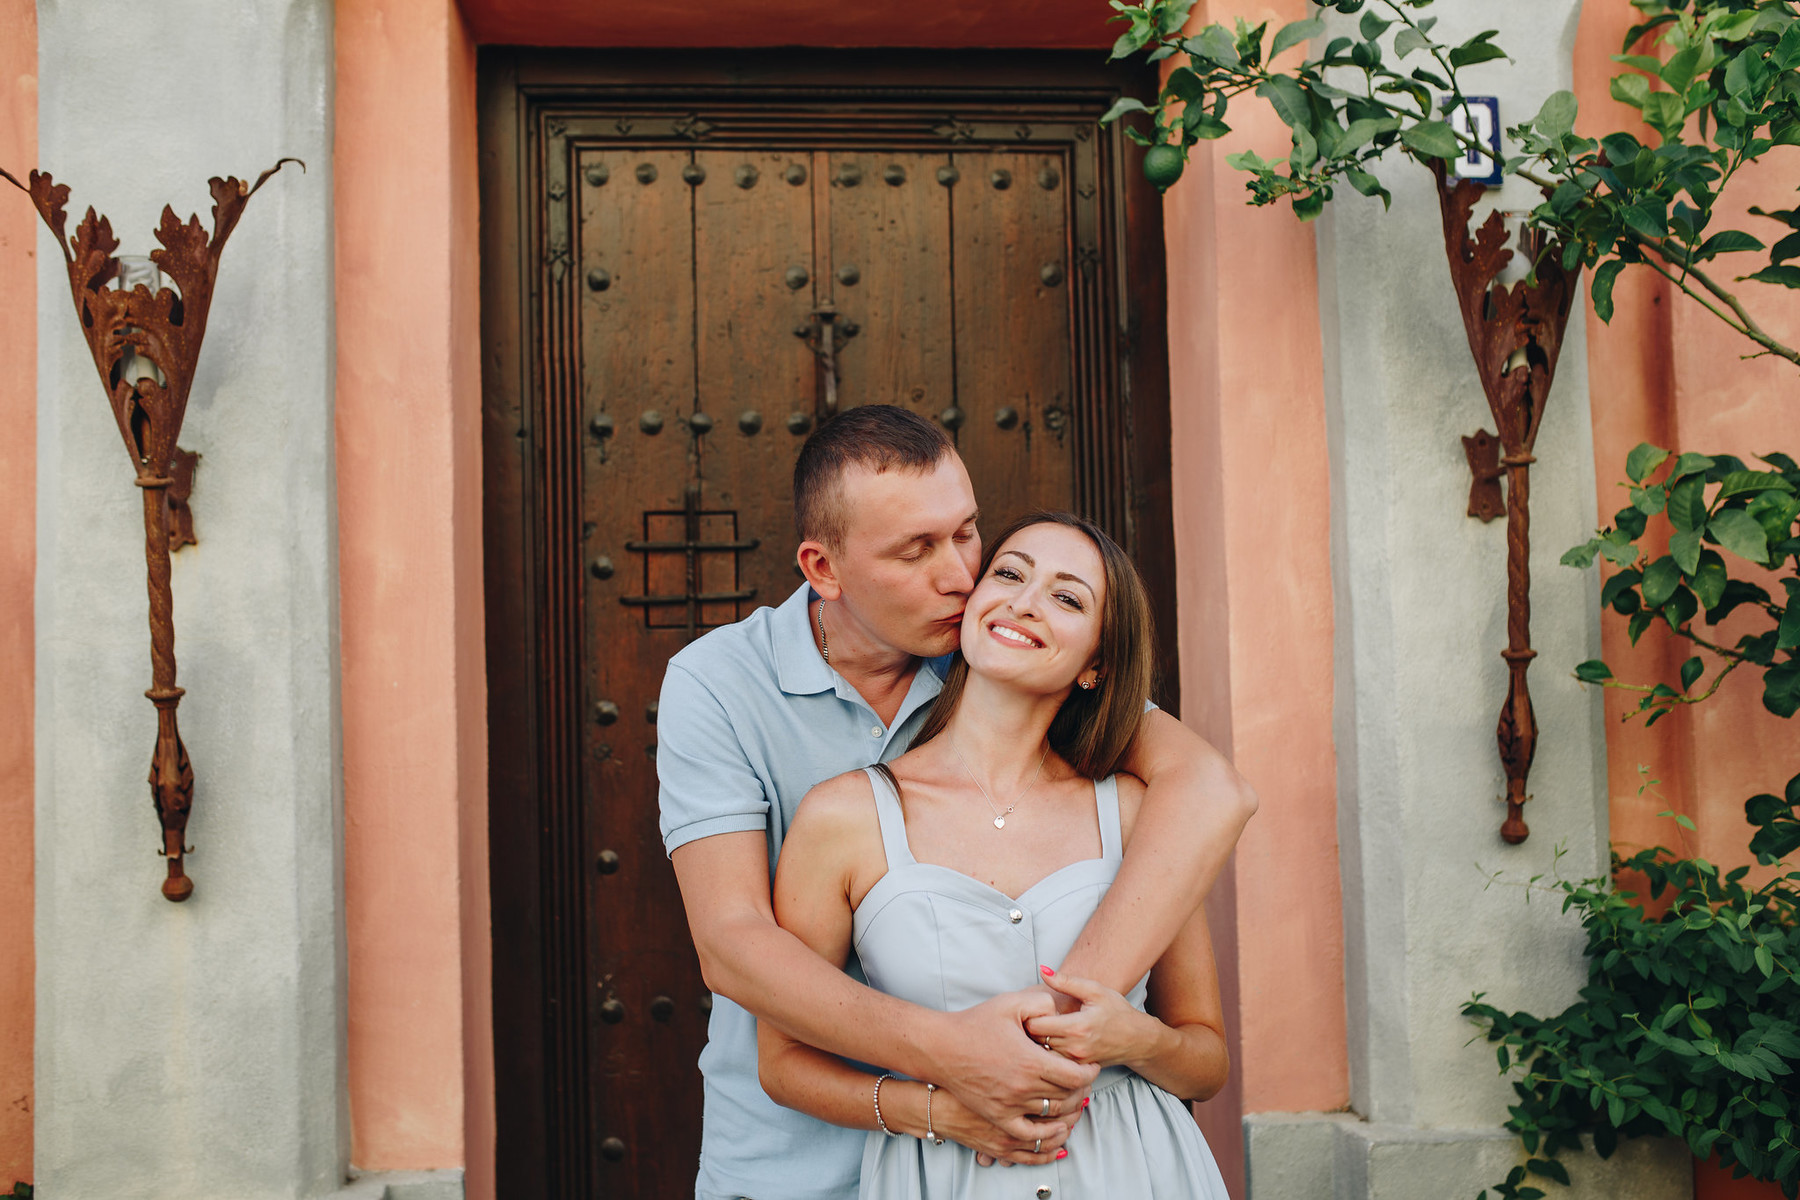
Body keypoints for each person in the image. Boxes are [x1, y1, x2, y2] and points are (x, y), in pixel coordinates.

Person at [658, 405, 1255, 1200]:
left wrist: (1052, 1044)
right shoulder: (719, 681)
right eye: (917, 550)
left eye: (968, 533)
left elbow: (1210, 788)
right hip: (794, 1156)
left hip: (1039, 1155)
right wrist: (956, 1064)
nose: (962, 574)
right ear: (824, 569)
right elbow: (731, 943)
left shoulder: (1000, 650)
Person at [758, 511, 1231, 1198]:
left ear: (1097, 662)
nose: (1025, 601)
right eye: (1009, 573)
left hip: (1138, 1171)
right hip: (945, 1173)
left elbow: (1206, 1060)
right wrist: (941, 1114)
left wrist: (1139, 1041)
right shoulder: (843, 817)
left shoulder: (1136, 812)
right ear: (973, 606)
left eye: (1068, 597)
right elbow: (781, 1063)